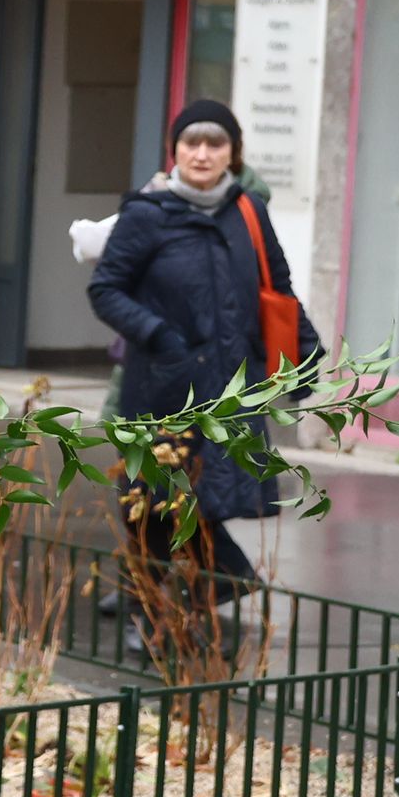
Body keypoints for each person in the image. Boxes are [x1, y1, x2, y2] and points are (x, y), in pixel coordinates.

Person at [88, 97, 322, 609]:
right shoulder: (146, 213)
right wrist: (159, 335)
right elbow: (106, 289)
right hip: (162, 384)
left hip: (230, 383)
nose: (202, 153)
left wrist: (305, 355)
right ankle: (191, 590)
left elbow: (278, 289)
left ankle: (154, 598)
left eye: (215, 144)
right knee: (156, 496)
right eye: (191, 142)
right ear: (174, 149)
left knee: (200, 494)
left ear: (232, 152)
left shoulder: (248, 211)